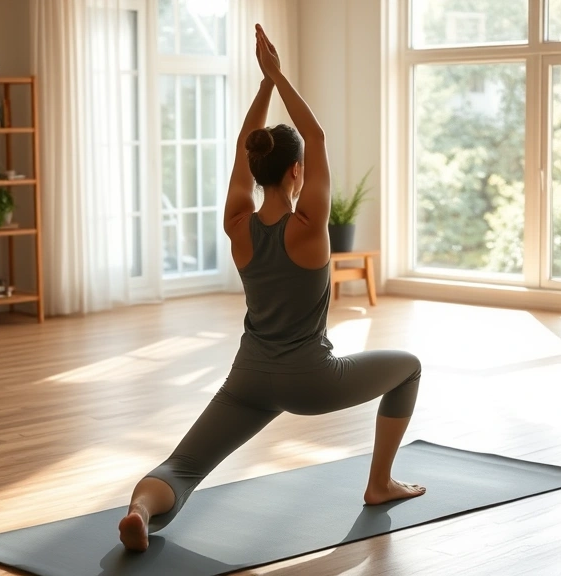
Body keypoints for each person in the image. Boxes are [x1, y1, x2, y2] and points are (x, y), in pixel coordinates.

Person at [118, 23, 425, 552]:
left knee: (183, 465)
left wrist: (262, 87)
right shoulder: (308, 230)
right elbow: (320, 138)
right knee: (409, 367)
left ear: (258, 169)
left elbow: (245, 149)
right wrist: (278, 76)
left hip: (249, 377)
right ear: (298, 172)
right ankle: (379, 483)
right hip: (311, 380)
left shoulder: (239, 226)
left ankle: (141, 511)